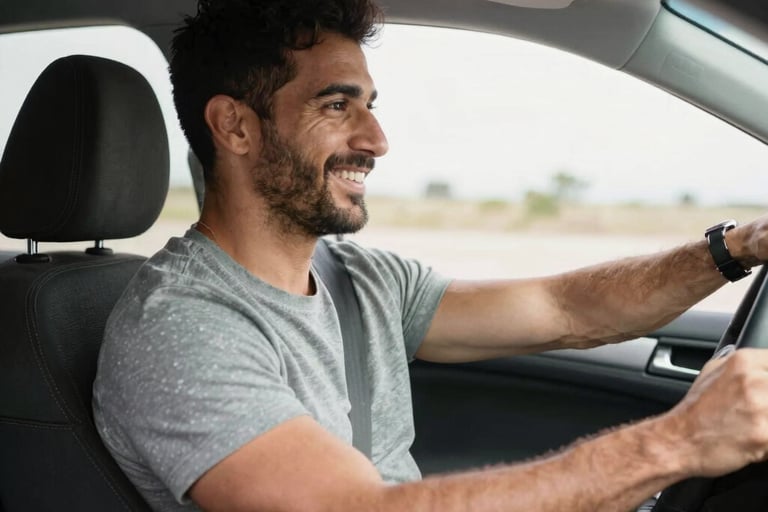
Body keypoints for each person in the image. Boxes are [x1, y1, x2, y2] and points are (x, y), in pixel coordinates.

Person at [92, 0, 768, 510]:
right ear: (235, 126)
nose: (377, 139)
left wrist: (736, 249)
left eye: (370, 106)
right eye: (337, 105)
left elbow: (562, 308)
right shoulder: (177, 330)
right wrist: (674, 443)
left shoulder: (358, 278)